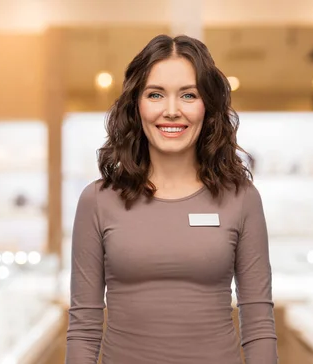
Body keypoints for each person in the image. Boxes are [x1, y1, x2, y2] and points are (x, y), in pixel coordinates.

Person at [65, 34, 278, 364]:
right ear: (136, 105)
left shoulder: (242, 199)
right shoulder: (97, 200)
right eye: (156, 94)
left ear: (208, 106)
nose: (172, 111)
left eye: (188, 95)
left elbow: (259, 322)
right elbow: (83, 328)